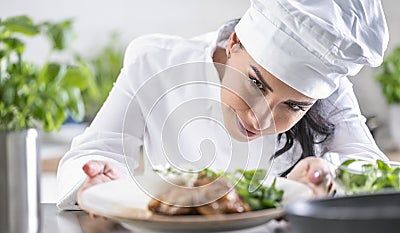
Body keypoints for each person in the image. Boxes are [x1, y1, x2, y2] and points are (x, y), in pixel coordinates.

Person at [57, 0, 389, 210]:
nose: (260, 116)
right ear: (233, 44)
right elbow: (95, 150)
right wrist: (96, 180)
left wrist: (328, 175)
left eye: (293, 106)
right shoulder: (156, 62)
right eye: (256, 83)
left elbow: (371, 169)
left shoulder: (333, 94)